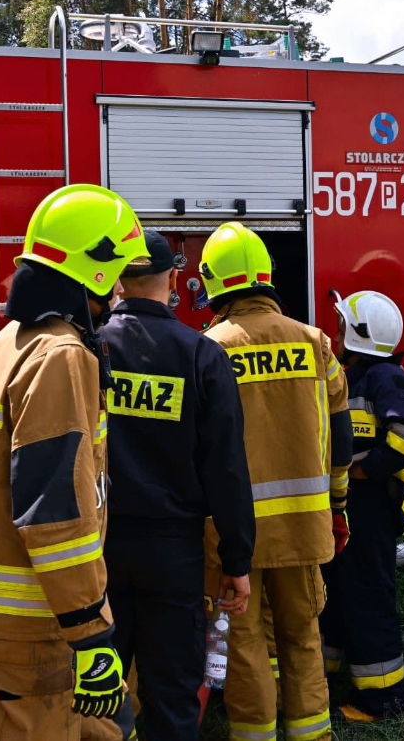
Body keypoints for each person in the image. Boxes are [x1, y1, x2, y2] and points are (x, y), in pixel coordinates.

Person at [0, 185, 149, 741]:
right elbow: (54, 513)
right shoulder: (60, 356)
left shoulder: (5, 344)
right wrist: (90, 634)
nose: (116, 292)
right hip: (42, 619)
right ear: (92, 270)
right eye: (114, 276)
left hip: (19, 614)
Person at [98, 230, 257, 740]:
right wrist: (236, 562)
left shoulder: (88, 348)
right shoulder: (201, 355)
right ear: (173, 279)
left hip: (97, 549)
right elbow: (227, 468)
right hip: (174, 555)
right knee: (172, 696)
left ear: (118, 279)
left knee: (96, 694)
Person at [199, 222, 354, 741]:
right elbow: (340, 429)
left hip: (232, 534)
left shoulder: (208, 349)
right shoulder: (314, 342)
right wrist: (337, 503)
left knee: (243, 645)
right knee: (302, 636)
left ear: (214, 283)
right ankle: (312, 735)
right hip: (304, 527)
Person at [320, 291, 404, 723]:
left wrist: (365, 471)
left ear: (356, 333)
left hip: (369, 507)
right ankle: (328, 676)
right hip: (351, 505)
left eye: (341, 325)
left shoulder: (388, 377)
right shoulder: (356, 376)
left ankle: (384, 701)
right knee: (336, 592)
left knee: (368, 596)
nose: (335, 332)